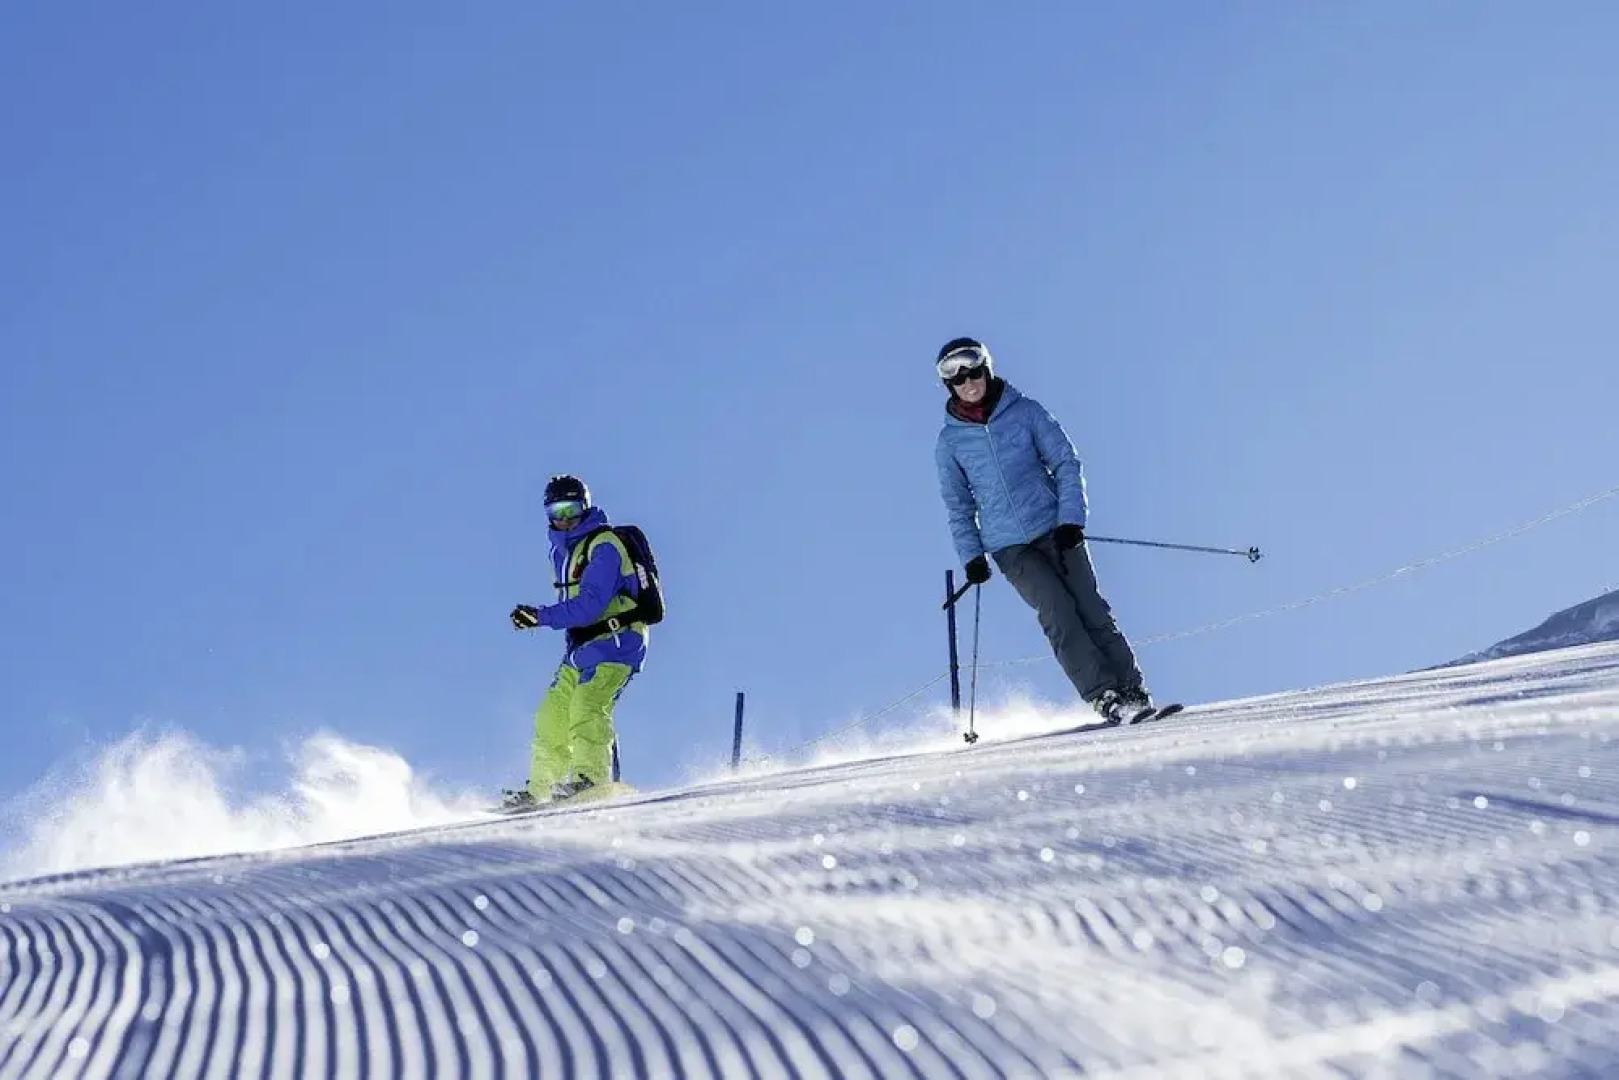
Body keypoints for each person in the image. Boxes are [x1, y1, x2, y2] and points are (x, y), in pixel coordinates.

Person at [933, 337, 1156, 725]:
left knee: (1090, 607)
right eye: (957, 378)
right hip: (1009, 547)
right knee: (1057, 611)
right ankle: (1104, 695)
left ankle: (1133, 691)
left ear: (987, 368)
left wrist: (1071, 518)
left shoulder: (1026, 413)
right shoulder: (949, 443)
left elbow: (1066, 462)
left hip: (1055, 529)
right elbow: (959, 506)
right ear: (949, 386)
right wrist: (972, 556)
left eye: (973, 371)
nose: (968, 382)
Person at [505, 475, 647, 809]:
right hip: (582, 649)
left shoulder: (604, 545)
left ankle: (592, 779)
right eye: (557, 511)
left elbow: (591, 605)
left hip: (617, 639)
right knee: (551, 715)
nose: (565, 518)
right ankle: (542, 789)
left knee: (587, 706)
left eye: (572, 509)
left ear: (585, 508)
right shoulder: (564, 552)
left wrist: (540, 616)